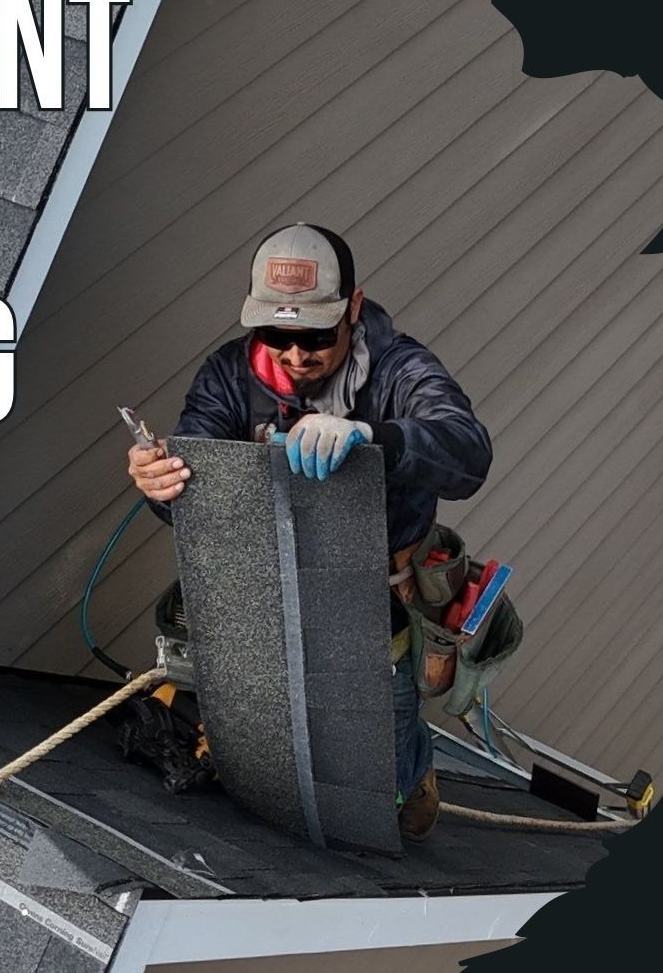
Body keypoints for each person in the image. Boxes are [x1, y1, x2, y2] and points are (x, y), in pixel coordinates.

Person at [127, 223, 493, 841]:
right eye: (276, 334)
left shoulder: (399, 369)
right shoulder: (228, 375)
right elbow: (198, 497)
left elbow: (468, 452)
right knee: (265, 713)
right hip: (268, 587)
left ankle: (410, 785)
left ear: (353, 307)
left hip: (378, 599)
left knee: (386, 744)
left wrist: (376, 438)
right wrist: (162, 486)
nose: (296, 356)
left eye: (317, 337)